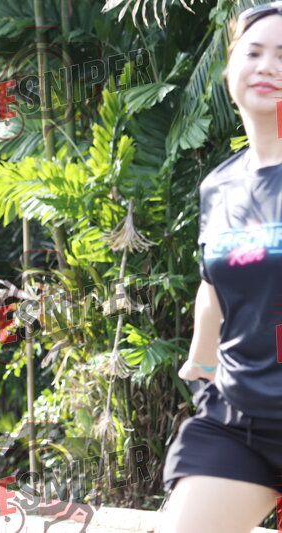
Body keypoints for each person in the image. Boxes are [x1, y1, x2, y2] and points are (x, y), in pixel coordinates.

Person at [162, 4, 282, 532]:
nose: (267, 66)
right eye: (253, 52)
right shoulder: (221, 185)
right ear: (230, 66)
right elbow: (215, 281)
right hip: (241, 418)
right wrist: (200, 360)